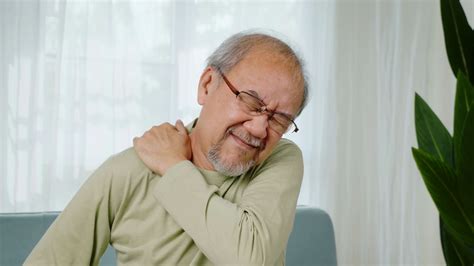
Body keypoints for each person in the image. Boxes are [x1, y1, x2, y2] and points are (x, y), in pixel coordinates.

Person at [24, 31, 309, 265]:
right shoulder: (128, 172)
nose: (260, 128)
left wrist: (174, 167)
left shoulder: (280, 160)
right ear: (207, 85)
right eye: (250, 101)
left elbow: (250, 258)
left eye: (280, 120)